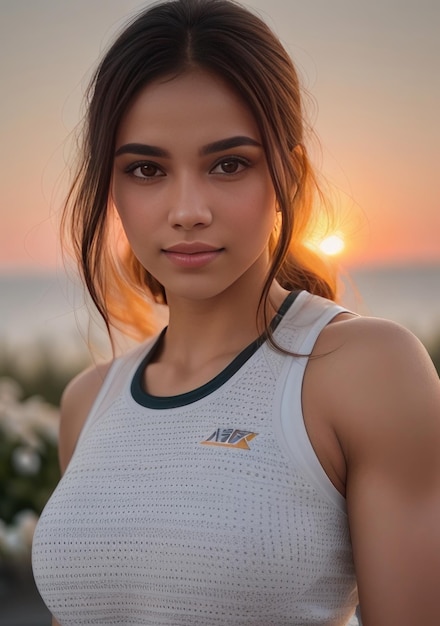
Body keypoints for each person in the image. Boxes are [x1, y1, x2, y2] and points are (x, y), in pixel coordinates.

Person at [31, 0, 440, 624]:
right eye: (146, 169)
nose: (188, 209)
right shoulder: (87, 404)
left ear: (289, 178)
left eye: (229, 164)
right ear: (111, 189)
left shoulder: (365, 371)